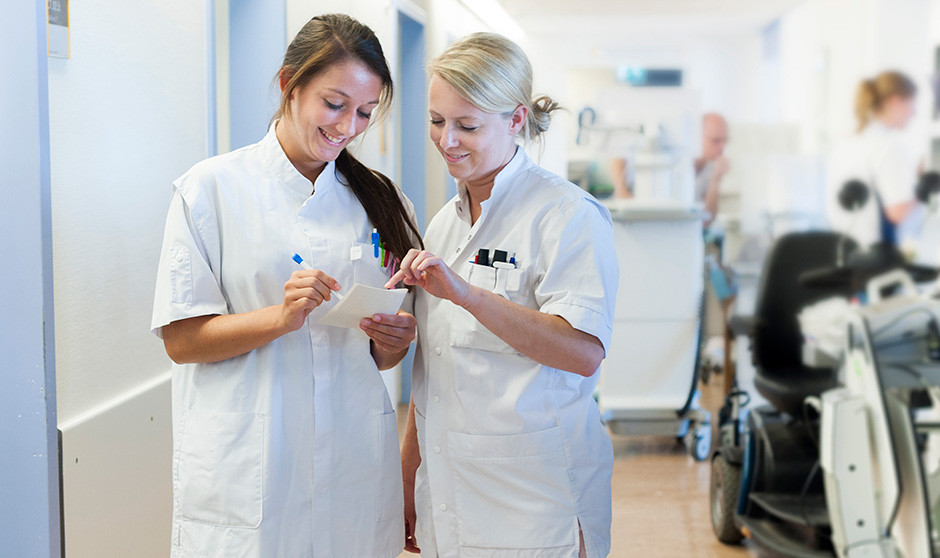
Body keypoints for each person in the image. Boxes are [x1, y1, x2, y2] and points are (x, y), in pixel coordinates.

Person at [150, 14, 421, 557]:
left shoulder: (384, 201)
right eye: (334, 103)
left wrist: (391, 345)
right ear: (288, 84)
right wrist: (281, 318)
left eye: (366, 112)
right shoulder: (211, 191)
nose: (348, 125)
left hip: (351, 458)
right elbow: (182, 340)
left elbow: (376, 358)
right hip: (252, 464)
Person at [391, 33, 619, 557]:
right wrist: (408, 477)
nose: (447, 140)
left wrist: (468, 296)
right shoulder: (444, 225)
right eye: (436, 120)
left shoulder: (567, 215)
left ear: (516, 119)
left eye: (467, 125)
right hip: (449, 492)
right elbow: (435, 370)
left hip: (537, 499)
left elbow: (583, 353)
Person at [827, 70, 920, 248]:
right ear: (895, 101)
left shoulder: (846, 142)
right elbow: (897, 213)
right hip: (877, 257)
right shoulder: (889, 147)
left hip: (843, 251)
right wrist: (922, 193)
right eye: (912, 104)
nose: (914, 113)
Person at [694, 112, 730, 228]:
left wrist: (716, 179)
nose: (722, 147)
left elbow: (707, 220)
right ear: (697, 137)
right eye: (716, 141)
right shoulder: (679, 166)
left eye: (724, 141)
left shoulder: (710, 168)